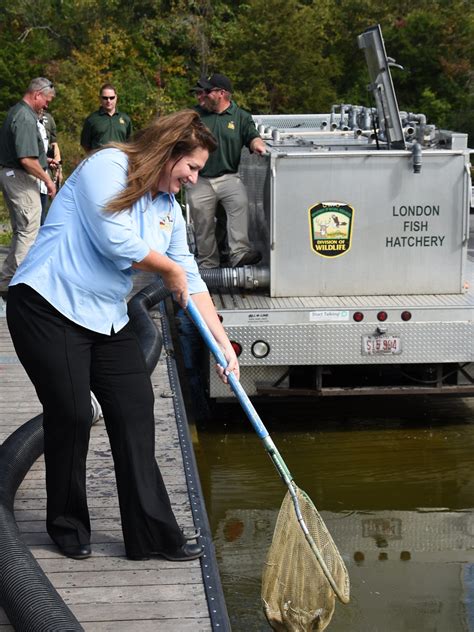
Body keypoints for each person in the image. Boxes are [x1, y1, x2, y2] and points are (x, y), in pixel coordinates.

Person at [6, 109, 239, 562]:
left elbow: (190, 277)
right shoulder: (108, 167)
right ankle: (68, 526)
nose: (194, 179)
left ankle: (151, 536)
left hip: (106, 317)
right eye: (191, 167)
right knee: (72, 414)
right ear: (169, 153)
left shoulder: (168, 208)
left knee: (135, 410)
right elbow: (115, 241)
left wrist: (223, 341)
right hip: (48, 304)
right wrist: (168, 269)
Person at [186, 72, 267, 268]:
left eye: (205, 92)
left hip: (229, 176)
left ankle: (238, 253)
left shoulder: (241, 117)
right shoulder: (194, 115)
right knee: (203, 222)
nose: (200, 96)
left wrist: (258, 145)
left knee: (239, 202)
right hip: (200, 178)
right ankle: (208, 263)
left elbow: (252, 136)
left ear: (221, 93)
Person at [0, 77, 57, 297]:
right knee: (28, 232)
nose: (47, 105)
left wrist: (46, 161)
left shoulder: (18, 113)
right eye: (47, 100)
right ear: (37, 95)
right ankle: (21, 285)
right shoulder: (24, 117)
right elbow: (26, 159)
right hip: (20, 178)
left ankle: (7, 282)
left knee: (20, 231)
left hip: (13, 174)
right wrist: (48, 179)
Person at [80, 83, 132, 152]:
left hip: (119, 160)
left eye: (111, 97)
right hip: (99, 160)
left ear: (116, 97)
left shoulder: (126, 119)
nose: (108, 101)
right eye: (105, 98)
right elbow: (85, 144)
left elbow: (130, 143)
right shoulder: (92, 119)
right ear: (100, 98)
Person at [37, 109, 62, 224]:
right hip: (33, 168)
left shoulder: (48, 118)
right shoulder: (26, 116)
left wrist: (59, 168)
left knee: (46, 209)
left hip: (47, 169)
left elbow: (54, 144)